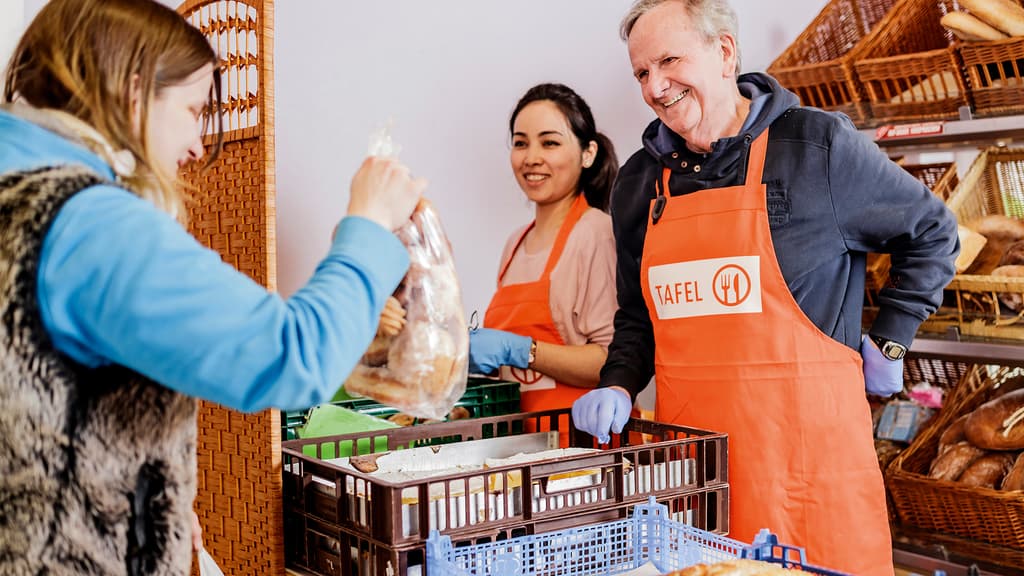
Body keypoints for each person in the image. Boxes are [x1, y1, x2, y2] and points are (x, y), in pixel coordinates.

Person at [0, 1, 424, 574]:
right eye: (193, 109)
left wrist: (148, 490)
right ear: (134, 92)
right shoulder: (91, 223)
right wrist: (369, 223)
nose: (200, 145)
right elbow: (293, 356)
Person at [570, 1, 959, 575]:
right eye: (641, 73)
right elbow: (637, 318)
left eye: (669, 61)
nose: (655, 86)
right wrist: (620, 383)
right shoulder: (638, 184)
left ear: (725, 53)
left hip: (813, 489)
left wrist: (892, 339)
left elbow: (933, 230)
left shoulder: (816, 149)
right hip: (697, 487)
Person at [468, 83, 620, 421]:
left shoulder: (595, 232)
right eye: (521, 143)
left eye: (549, 142)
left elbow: (611, 361)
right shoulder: (515, 243)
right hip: (520, 445)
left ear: (588, 153)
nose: (531, 157)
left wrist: (520, 350)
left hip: (580, 446)